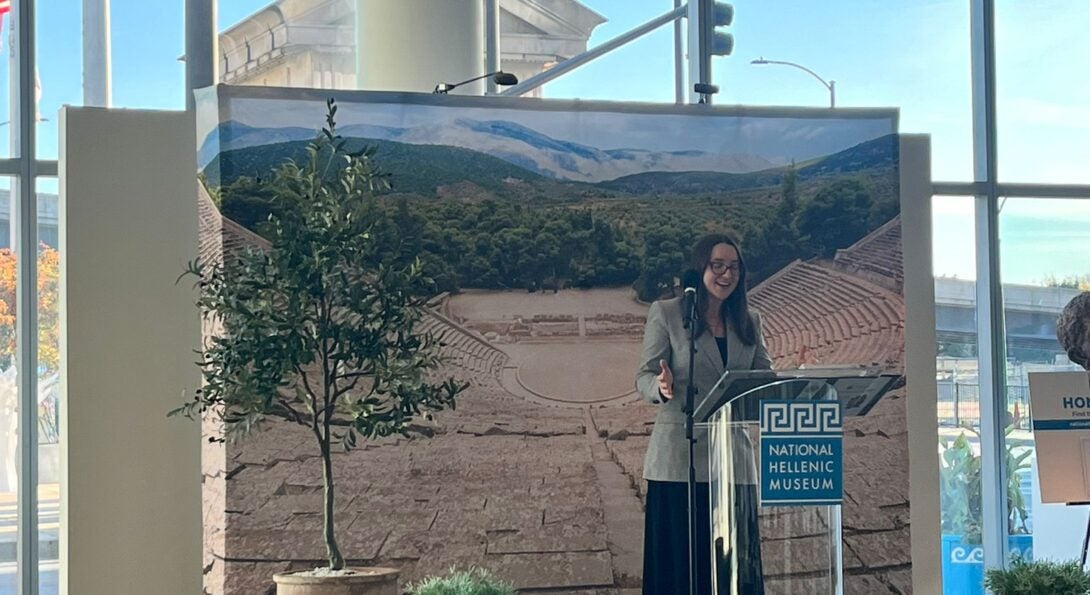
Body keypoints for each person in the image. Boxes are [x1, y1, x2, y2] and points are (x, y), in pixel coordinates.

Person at [635, 233, 771, 595]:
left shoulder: (751, 321)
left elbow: (764, 380)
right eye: (717, 265)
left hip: (734, 464)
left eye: (734, 267)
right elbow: (644, 375)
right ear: (701, 268)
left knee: (732, 574)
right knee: (682, 571)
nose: (726, 274)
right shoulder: (667, 313)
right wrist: (660, 388)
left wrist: (795, 377)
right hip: (679, 462)